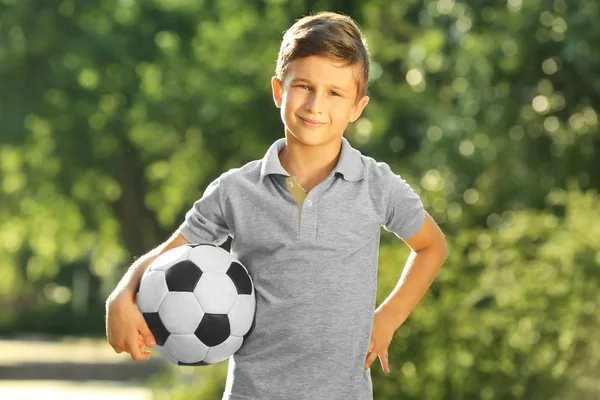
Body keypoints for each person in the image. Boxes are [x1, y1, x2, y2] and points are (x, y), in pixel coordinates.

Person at [106, 11, 448, 400]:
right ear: (278, 91)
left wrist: (388, 317)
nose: (316, 104)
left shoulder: (377, 186)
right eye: (303, 86)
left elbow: (431, 246)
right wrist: (122, 293)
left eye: (335, 93)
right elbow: (171, 253)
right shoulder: (236, 190)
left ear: (357, 107)